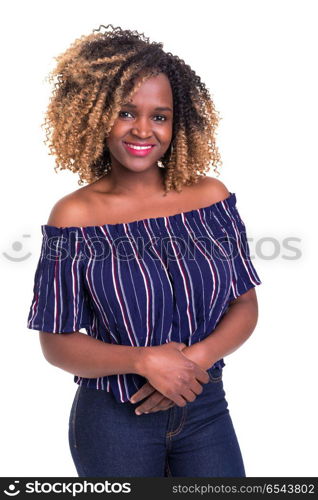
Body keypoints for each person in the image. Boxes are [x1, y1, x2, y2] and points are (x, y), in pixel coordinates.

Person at [26, 24, 262, 477]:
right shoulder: (73, 216)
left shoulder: (211, 198)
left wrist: (192, 362)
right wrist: (142, 360)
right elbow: (55, 342)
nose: (143, 129)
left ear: (179, 123)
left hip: (205, 406)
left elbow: (245, 303)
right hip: (116, 418)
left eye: (160, 116)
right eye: (125, 112)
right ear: (94, 116)